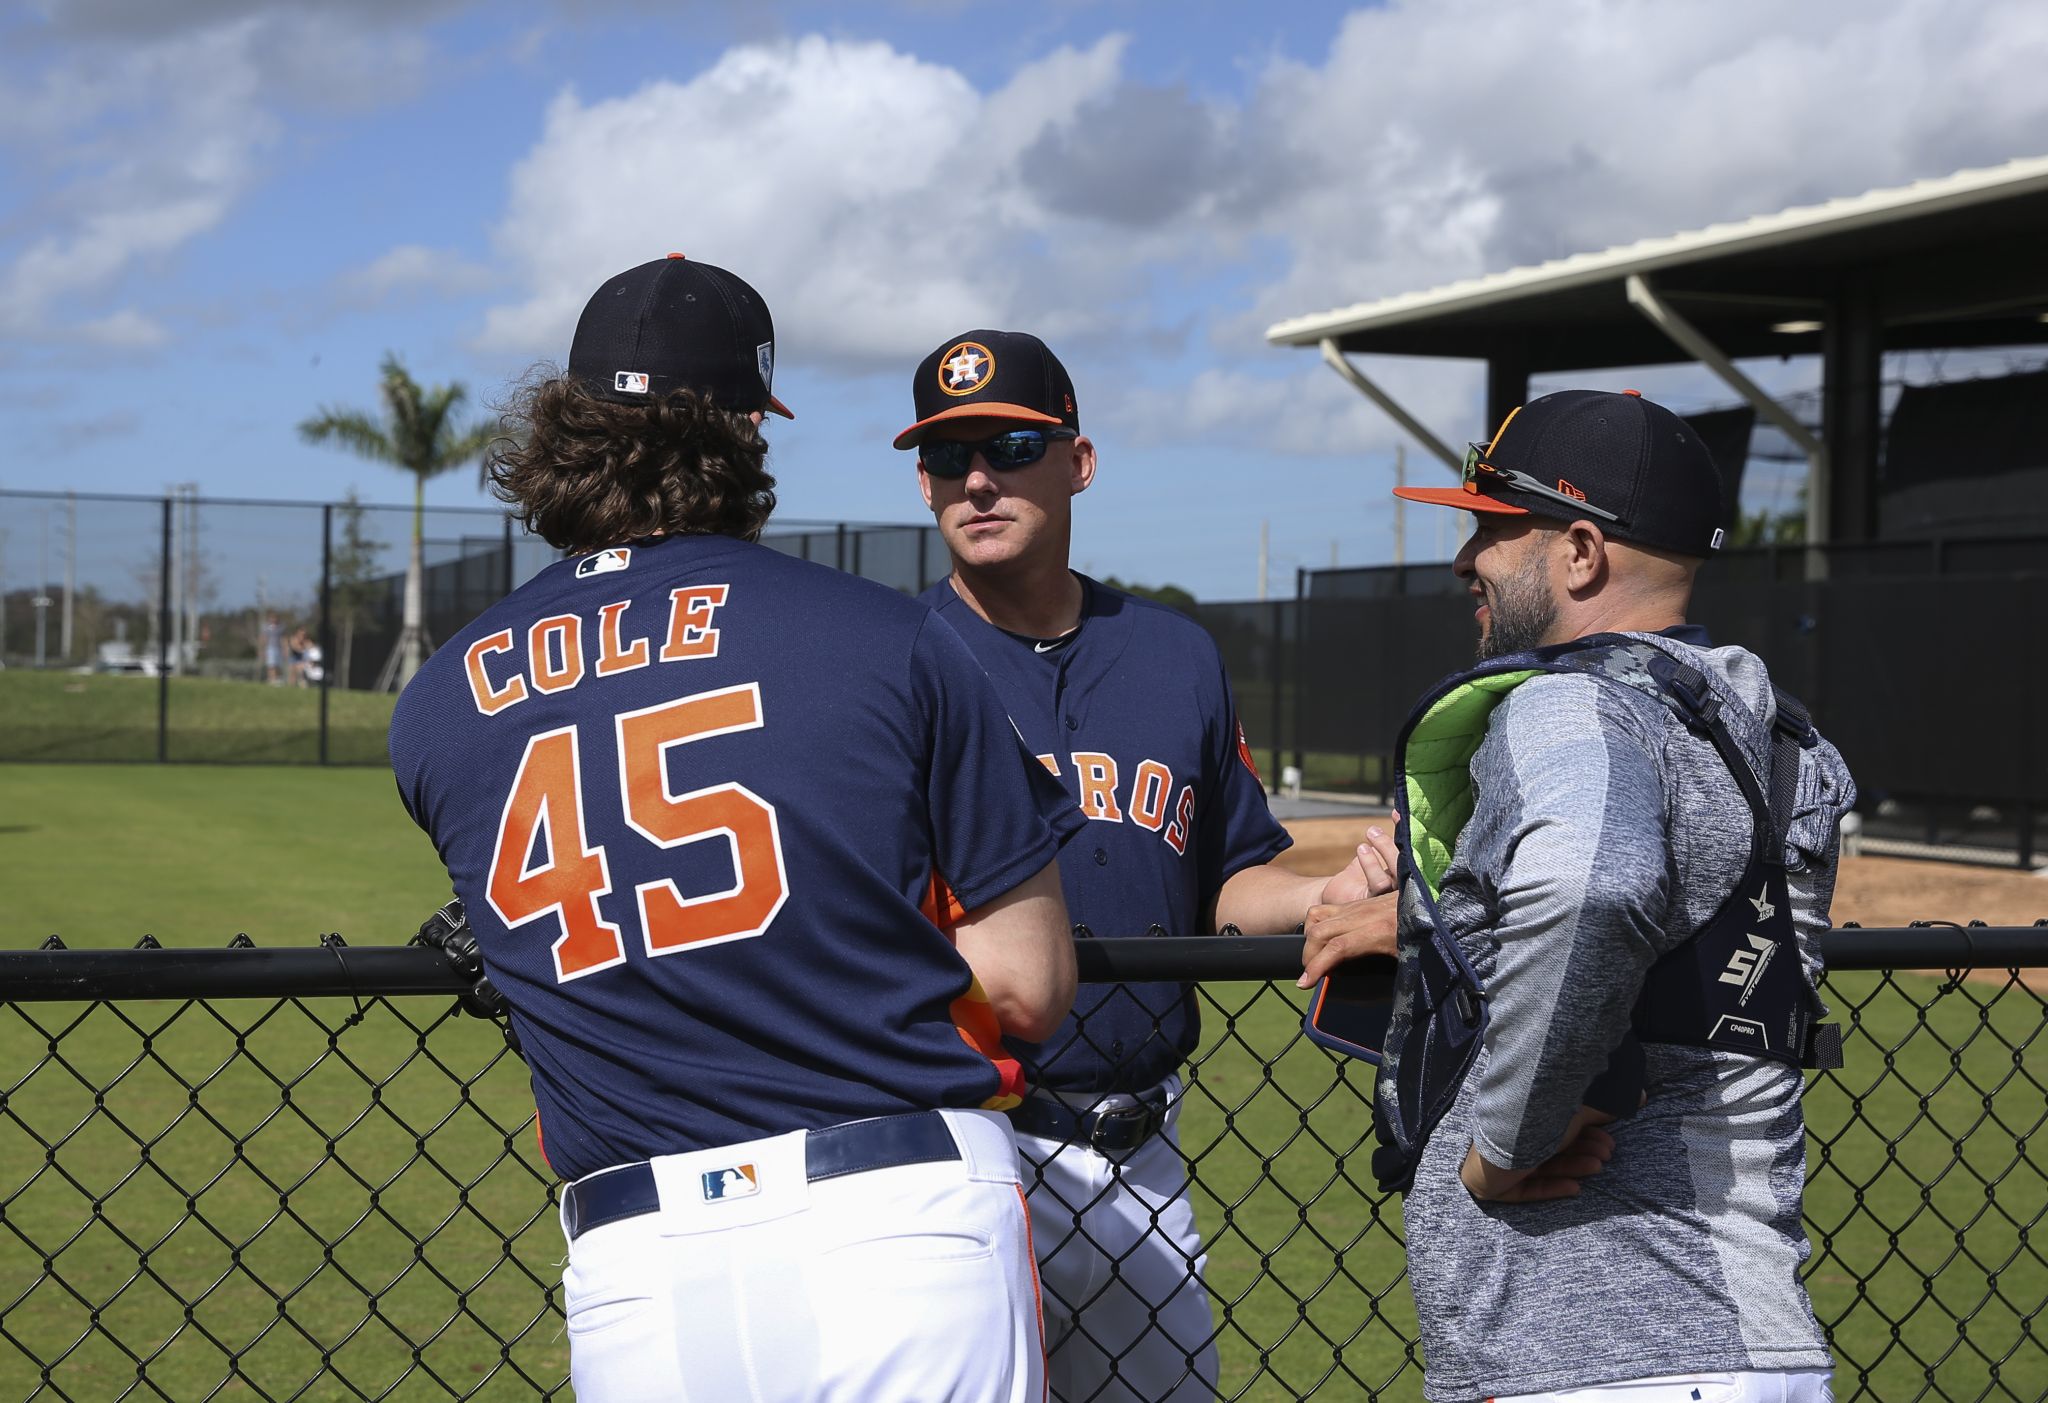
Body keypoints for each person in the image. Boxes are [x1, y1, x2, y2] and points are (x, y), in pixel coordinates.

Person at [388, 256, 1084, 1403]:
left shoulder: (439, 700)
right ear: (746, 432)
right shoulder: (886, 637)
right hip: (896, 1218)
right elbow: (1022, 982)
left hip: (636, 1255)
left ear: (566, 426)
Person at [1303, 389, 1855, 1403]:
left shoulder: (1568, 702)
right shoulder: (1775, 735)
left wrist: (1503, 1148)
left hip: (1597, 1347)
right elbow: (1688, 941)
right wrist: (1441, 924)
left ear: (1580, 553)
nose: (1466, 558)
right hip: (1755, 1334)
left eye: (1493, 528)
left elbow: (1590, 886)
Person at [894, 329, 1396, 1402]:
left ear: (1077, 460)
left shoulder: (1174, 655)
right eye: (946, 457)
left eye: (1011, 443)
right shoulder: (890, 657)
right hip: (959, 1149)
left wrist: (1325, 893)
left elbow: (1228, 877)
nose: (975, 478)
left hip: (1143, 1149)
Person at [261, 612, 283, 684]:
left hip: (278, 647)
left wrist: (285, 648)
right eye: (272, 618)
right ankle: (271, 679)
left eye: (275, 618)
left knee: (277, 664)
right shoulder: (266, 627)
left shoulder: (280, 627)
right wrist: (263, 649)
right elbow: (264, 638)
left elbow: (283, 638)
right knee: (271, 664)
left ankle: (276, 678)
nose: (274, 619)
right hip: (269, 647)